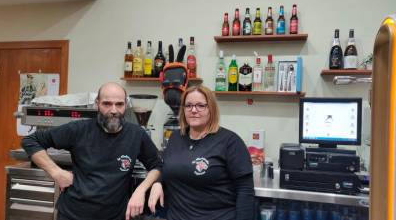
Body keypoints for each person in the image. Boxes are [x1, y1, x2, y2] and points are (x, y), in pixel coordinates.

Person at [21, 82, 162, 220]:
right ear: (97, 103)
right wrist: (56, 172)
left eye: (119, 104)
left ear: (125, 104)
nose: (113, 110)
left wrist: (141, 190)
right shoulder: (78, 129)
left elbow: (156, 165)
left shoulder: (136, 134)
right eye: (107, 104)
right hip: (73, 214)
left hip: (115, 215)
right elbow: (31, 141)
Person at [148, 85, 255, 220]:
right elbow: (167, 166)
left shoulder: (230, 142)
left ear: (211, 109)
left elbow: (245, 190)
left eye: (200, 105)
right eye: (188, 105)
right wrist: (158, 182)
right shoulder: (175, 138)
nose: (193, 110)